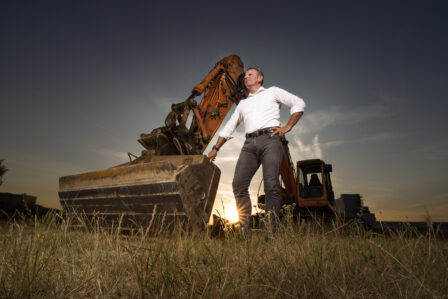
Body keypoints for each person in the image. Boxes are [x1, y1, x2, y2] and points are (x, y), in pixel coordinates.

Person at [207, 67, 305, 235]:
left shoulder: (273, 92)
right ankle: (245, 233)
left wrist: (287, 126)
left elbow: (299, 103)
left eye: (250, 74)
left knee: (271, 186)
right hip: (249, 145)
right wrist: (215, 148)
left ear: (260, 78)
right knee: (238, 185)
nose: (246, 77)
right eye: (245, 76)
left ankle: (270, 233)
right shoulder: (243, 104)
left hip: (271, 140)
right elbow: (229, 127)